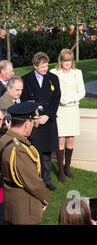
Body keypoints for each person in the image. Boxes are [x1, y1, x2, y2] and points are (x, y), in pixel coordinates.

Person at [0, 101, 49, 225]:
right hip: (24, 207)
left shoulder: (5, 139)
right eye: (32, 123)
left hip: (10, 200)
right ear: (26, 124)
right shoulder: (19, 149)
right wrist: (45, 198)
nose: (33, 126)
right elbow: (33, 182)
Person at [20, 52, 61, 191]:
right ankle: (35, 180)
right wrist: (36, 117)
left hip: (48, 121)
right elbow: (24, 100)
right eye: (42, 66)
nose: (45, 69)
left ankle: (47, 180)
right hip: (34, 122)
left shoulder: (53, 78)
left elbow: (56, 99)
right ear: (35, 66)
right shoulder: (25, 79)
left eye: (46, 66)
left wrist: (48, 115)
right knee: (34, 152)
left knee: (48, 153)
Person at [50, 49, 86, 183]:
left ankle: (67, 167)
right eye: (65, 60)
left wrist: (71, 99)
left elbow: (82, 91)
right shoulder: (54, 73)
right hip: (60, 109)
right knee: (60, 139)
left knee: (70, 139)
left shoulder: (78, 73)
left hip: (72, 108)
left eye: (69, 60)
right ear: (61, 61)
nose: (67, 63)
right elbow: (51, 90)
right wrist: (59, 99)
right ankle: (60, 170)